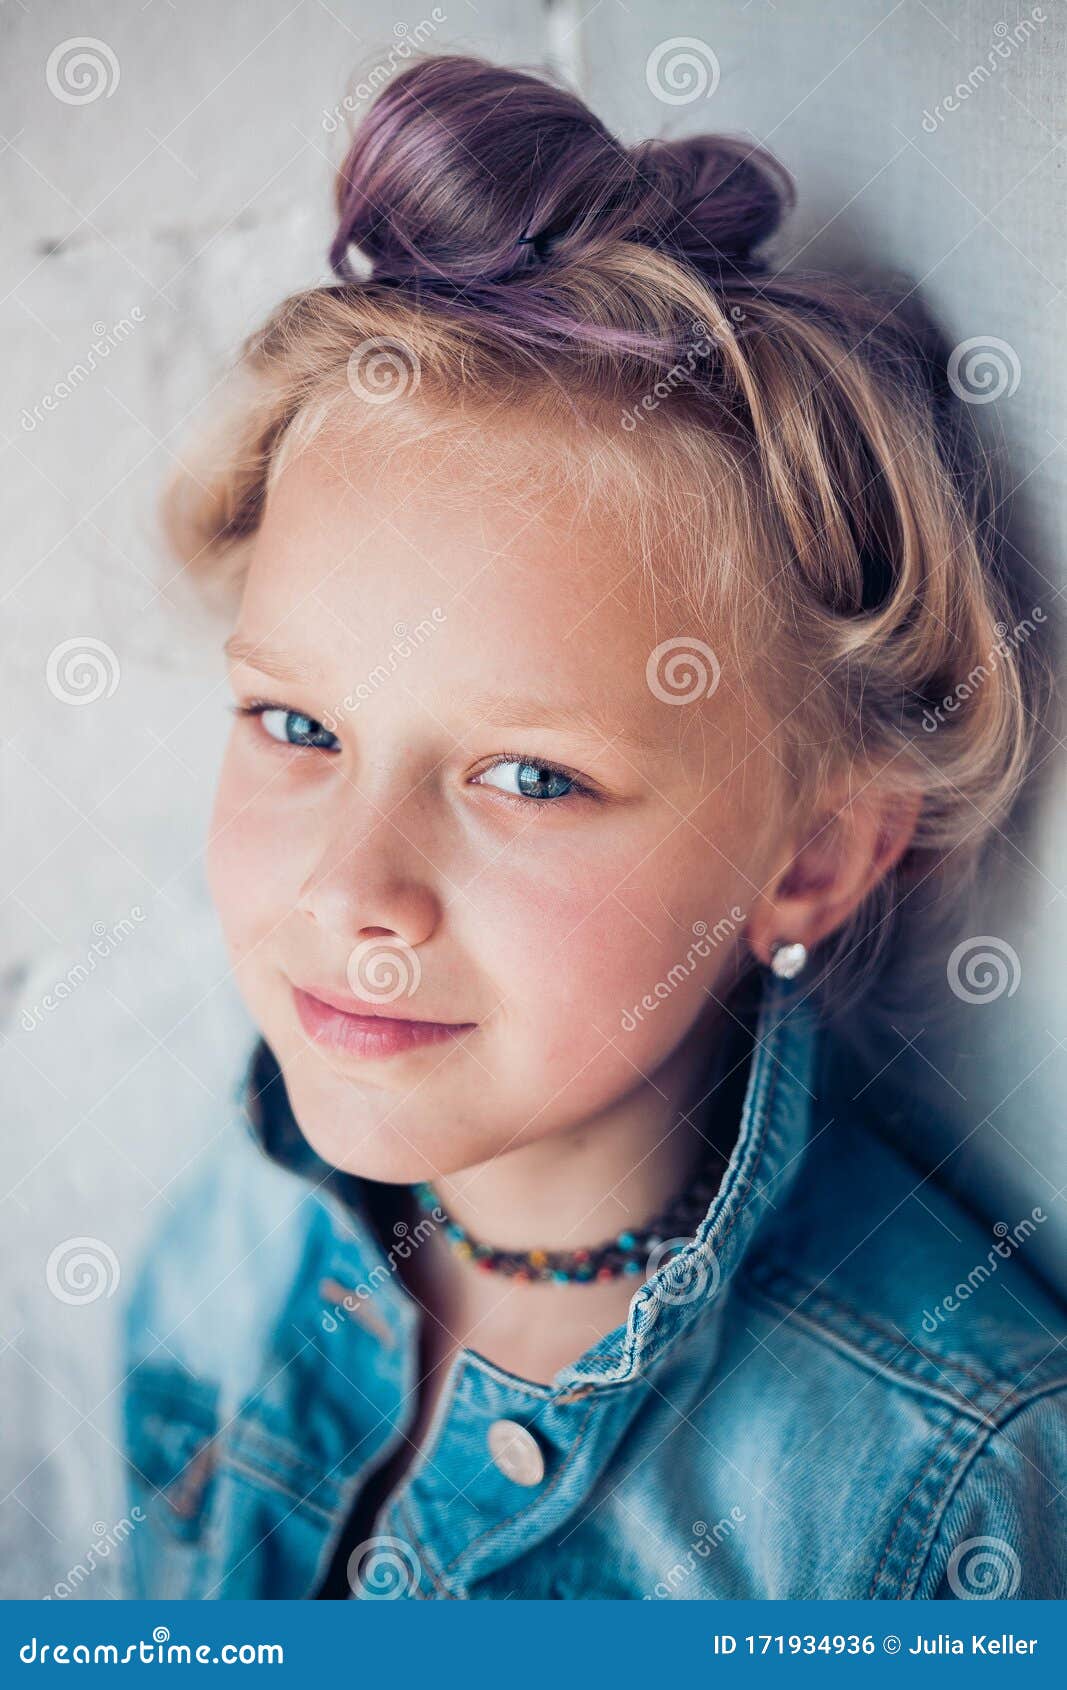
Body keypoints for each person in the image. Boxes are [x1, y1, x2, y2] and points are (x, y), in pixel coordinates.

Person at [117, 52, 1066, 1600]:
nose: (354, 888)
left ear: (811, 857)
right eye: (299, 729)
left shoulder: (947, 1490)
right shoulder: (231, 1234)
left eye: (531, 777)